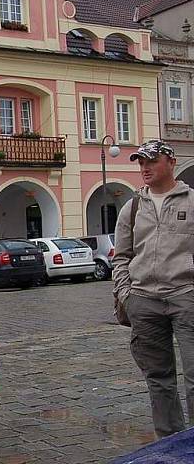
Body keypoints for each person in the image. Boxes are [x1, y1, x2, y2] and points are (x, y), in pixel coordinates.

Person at [113, 140, 194, 439]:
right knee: (159, 379)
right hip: (144, 300)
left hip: (186, 294)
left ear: (171, 162)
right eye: (141, 162)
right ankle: (171, 442)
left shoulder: (191, 201)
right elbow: (121, 256)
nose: (145, 167)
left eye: (152, 161)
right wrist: (127, 295)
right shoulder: (132, 206)